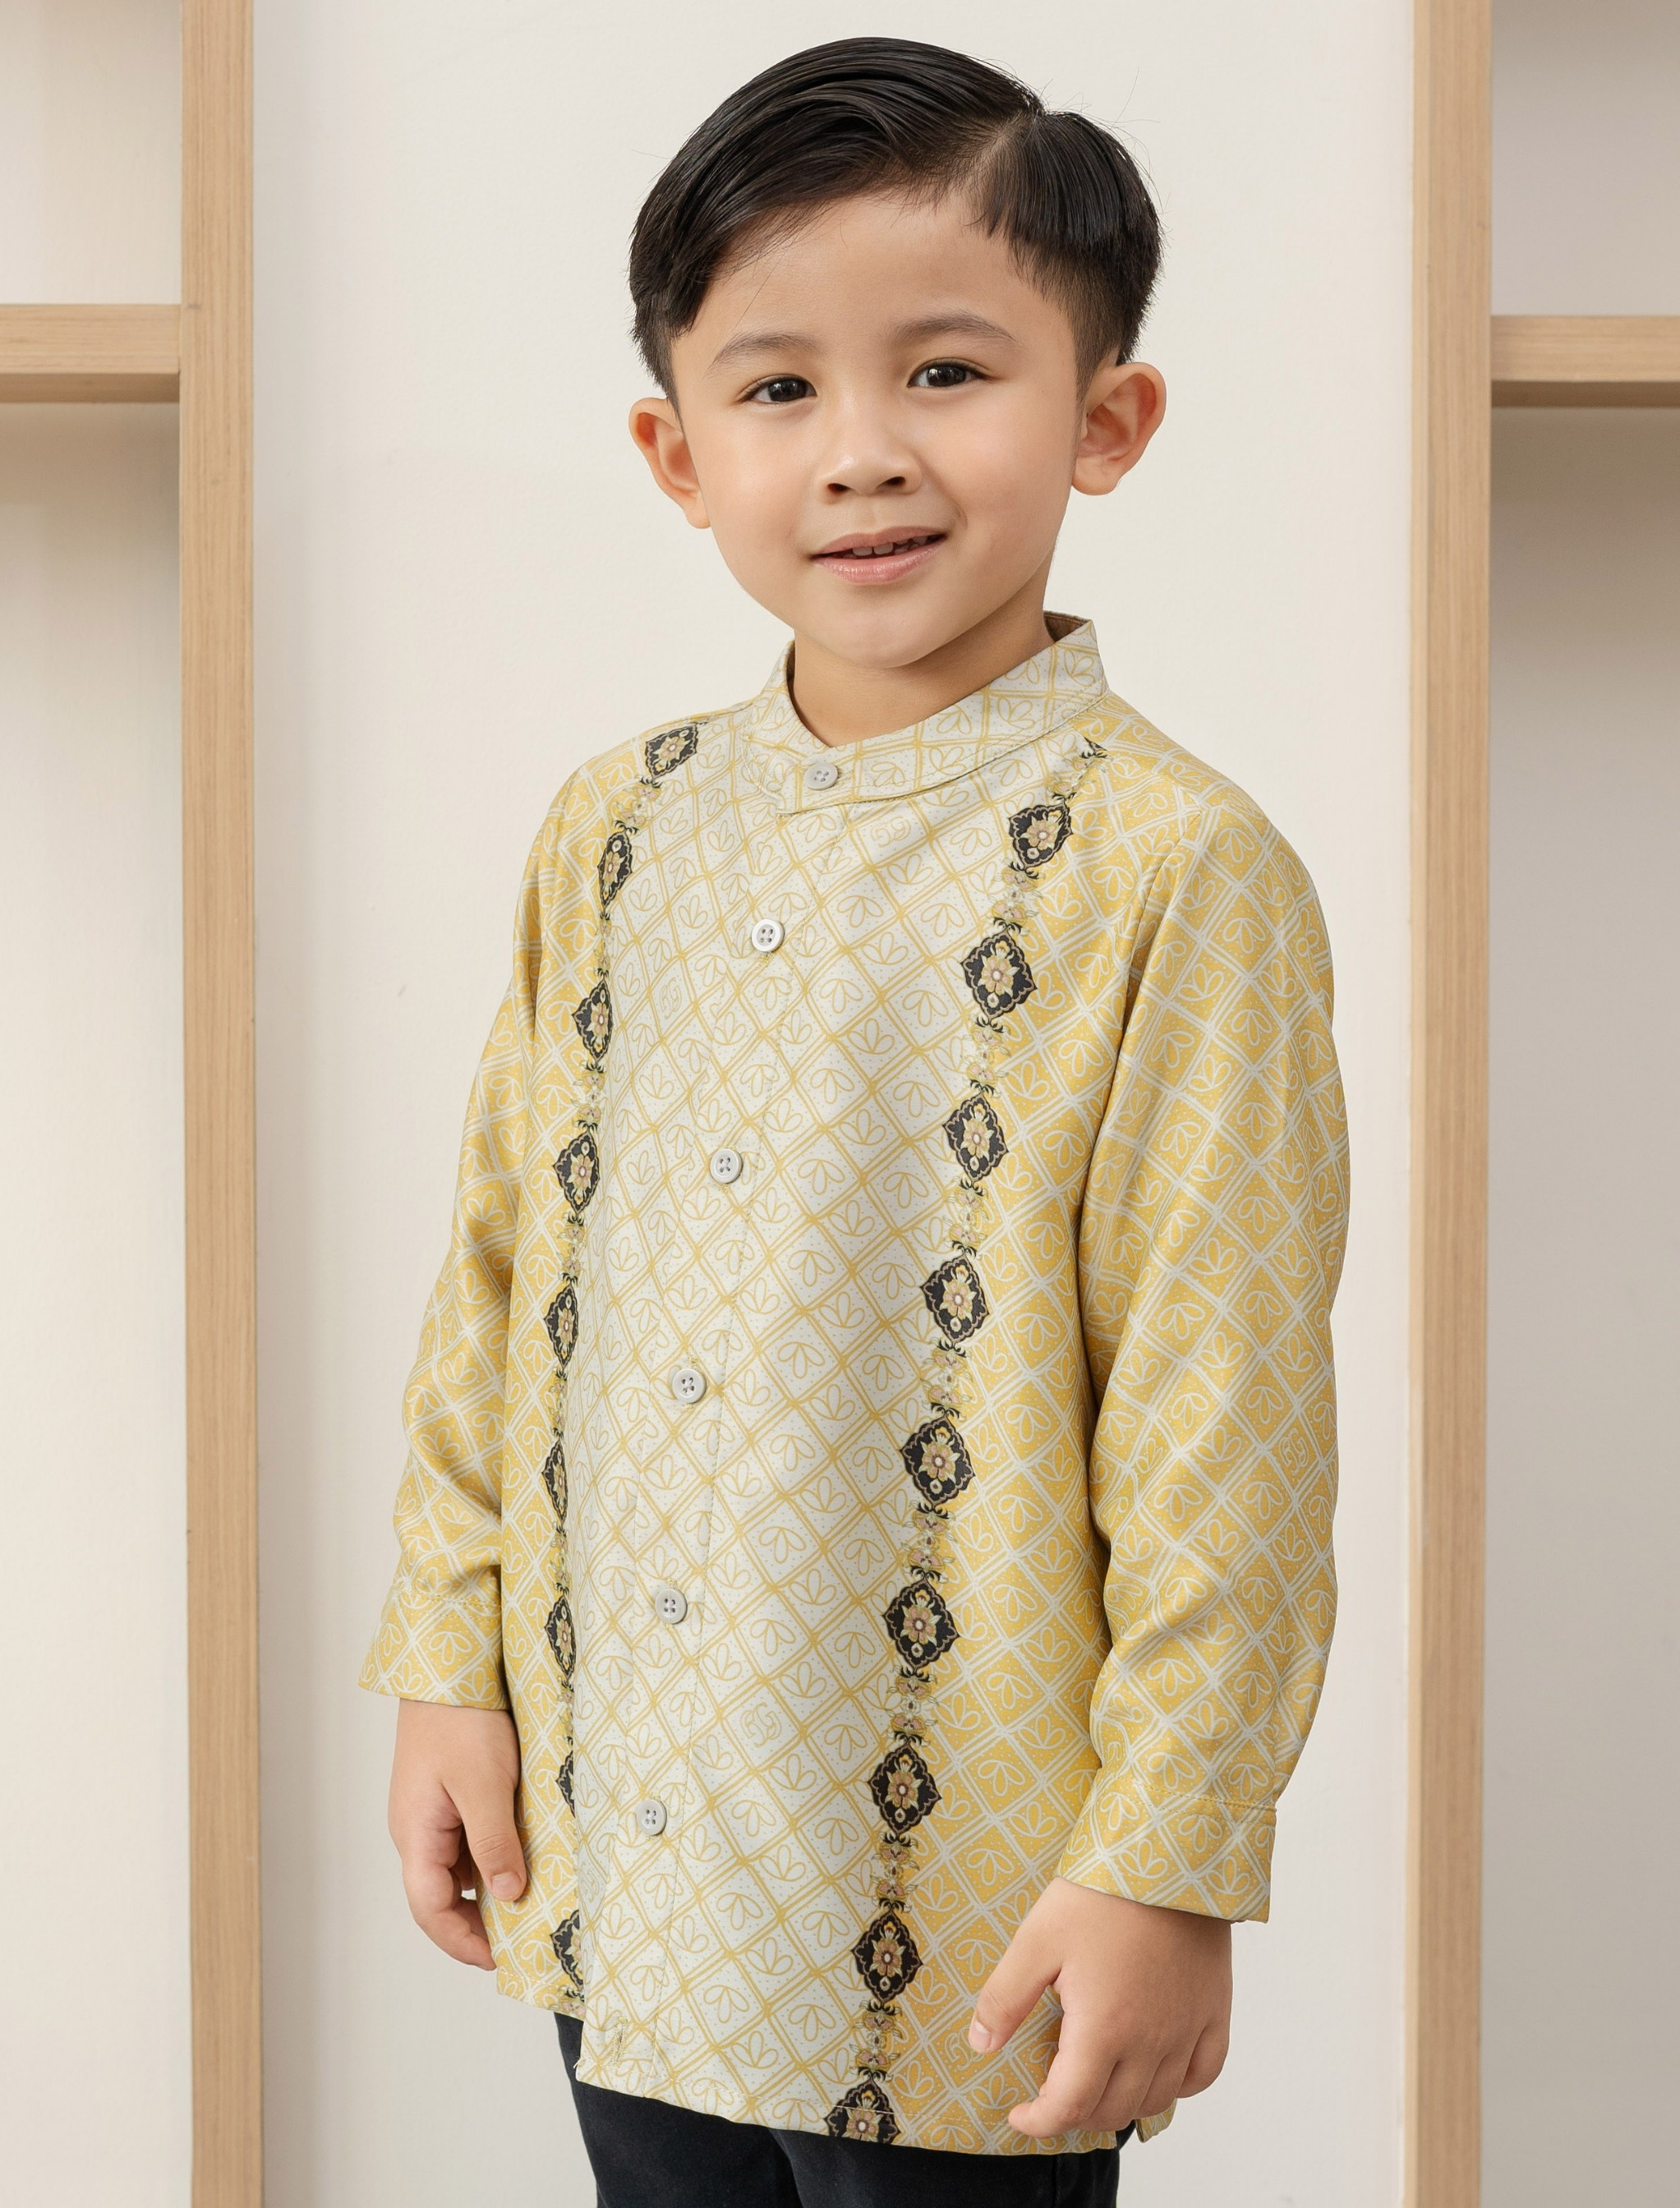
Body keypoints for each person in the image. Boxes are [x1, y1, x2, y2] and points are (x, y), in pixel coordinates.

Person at [361, 36, 1350, 2207]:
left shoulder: (1178, 870)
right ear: (676, 448)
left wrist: (1173, 1854)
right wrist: (451, 1662)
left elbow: (1225, 1412)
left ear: (1108, 420)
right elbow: (500, 1273)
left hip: (978, 1895)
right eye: (780, 387)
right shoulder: (613, 831)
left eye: (949, 372)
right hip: (620, 1834)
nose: (863, 452)